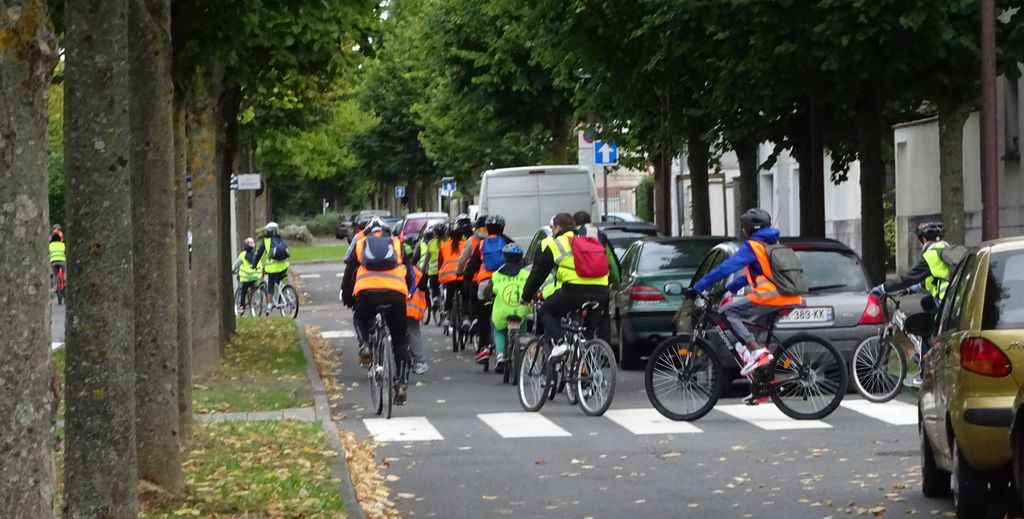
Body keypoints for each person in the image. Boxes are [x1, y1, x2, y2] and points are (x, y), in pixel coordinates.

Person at [688, 208, 803, 378]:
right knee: (750, 332)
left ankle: (758, 352)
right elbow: (758, 275)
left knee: (727, 312)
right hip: (789, 296)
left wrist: (698, 287)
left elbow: (726, 268)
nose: (742, 230)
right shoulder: (772, 244)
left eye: (744, 226)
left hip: (770, 297)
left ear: (750, 228)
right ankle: (760, 386)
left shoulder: (753, 246)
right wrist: (727, 288)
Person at [341, 217, 416, 404]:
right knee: (400, 340)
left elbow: (349, 275)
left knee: (359, 318)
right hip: (396, 294)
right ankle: (400, 384)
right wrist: (406, 293)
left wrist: (348, 297)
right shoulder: (397, 244)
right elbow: (408, 271)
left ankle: (364, 345)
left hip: (367, 293)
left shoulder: (360, 244)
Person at [871, 220, 950, 387]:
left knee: (922, 328)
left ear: (923, 239)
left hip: (945, 302)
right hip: (949, 300)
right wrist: (912, 290)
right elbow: (932, 279)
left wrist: (883, 288)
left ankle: (924, 373)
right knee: (925, 303)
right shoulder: (946, 250)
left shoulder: (932, 254)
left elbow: (907, 278)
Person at [521, 212, 609, 359]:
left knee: (546, 310)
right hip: (602, 291)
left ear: (557, 227)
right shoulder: (586, 240)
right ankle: (585, 372)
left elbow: (539, 274)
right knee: (586, 338)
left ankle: (561, 342)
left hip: (575, 290)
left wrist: (526, 296)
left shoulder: (555, 243)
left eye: (553, 228)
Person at [464, 215, 514, 364]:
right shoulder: (507, 242)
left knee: (484, 316)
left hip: (485, 283)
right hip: (504, 282)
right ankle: (508, 346)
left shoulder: (481, 244)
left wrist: (467, 276)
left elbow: (471, 266)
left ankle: (484, 348)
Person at [573, 211, 621, 344]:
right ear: (590, 221)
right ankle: (604, 351)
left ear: (575, 222)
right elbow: (612, 263)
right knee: (603, 317)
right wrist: (616, 283)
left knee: (576, 316)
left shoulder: (573, 235)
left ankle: (579, 350)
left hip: (579, 285)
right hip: (601, 286)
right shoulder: (601, 236)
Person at [482, 244, 530, 373]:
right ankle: (522, 341)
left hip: (502, 311)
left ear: (504, 258)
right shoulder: (526, 274)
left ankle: (500, 356)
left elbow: (487, 292)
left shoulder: (497, 275)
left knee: (498, 328)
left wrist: (488, 295)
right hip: (520, 308)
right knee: (523, 319)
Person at [252, 221, 291, 315]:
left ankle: (269, 304)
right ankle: (287, 296)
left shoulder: (266, 241)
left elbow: (258, 255)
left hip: (273, 268)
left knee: (270, 285)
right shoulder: (280, 239)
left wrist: (254, 265)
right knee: (278, 283)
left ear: (268, 231)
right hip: (284, 265)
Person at [438, 219, 468, 329]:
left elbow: (440, 263)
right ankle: (465, 317)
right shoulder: (465, 244)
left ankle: (448, 317)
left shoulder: (444, 246)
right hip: (462, 275)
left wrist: (439, 274)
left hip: (448, 277)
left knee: (449, 295)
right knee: (465, 296)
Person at [406, 263, 431, 375]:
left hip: (391, 306)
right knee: (413, 331)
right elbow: (423, 288)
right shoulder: (414, 270)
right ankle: (420, 362)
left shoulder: (385, 269)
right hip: (411, 308)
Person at [231, 237, 261, 313]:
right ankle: (254, 300)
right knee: (253, 287)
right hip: (255, 276)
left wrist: (232, 270)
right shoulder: (256, 254)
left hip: (246, 277)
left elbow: (236, 265)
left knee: (243, 291)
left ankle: (242, 307)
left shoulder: (243, 254)